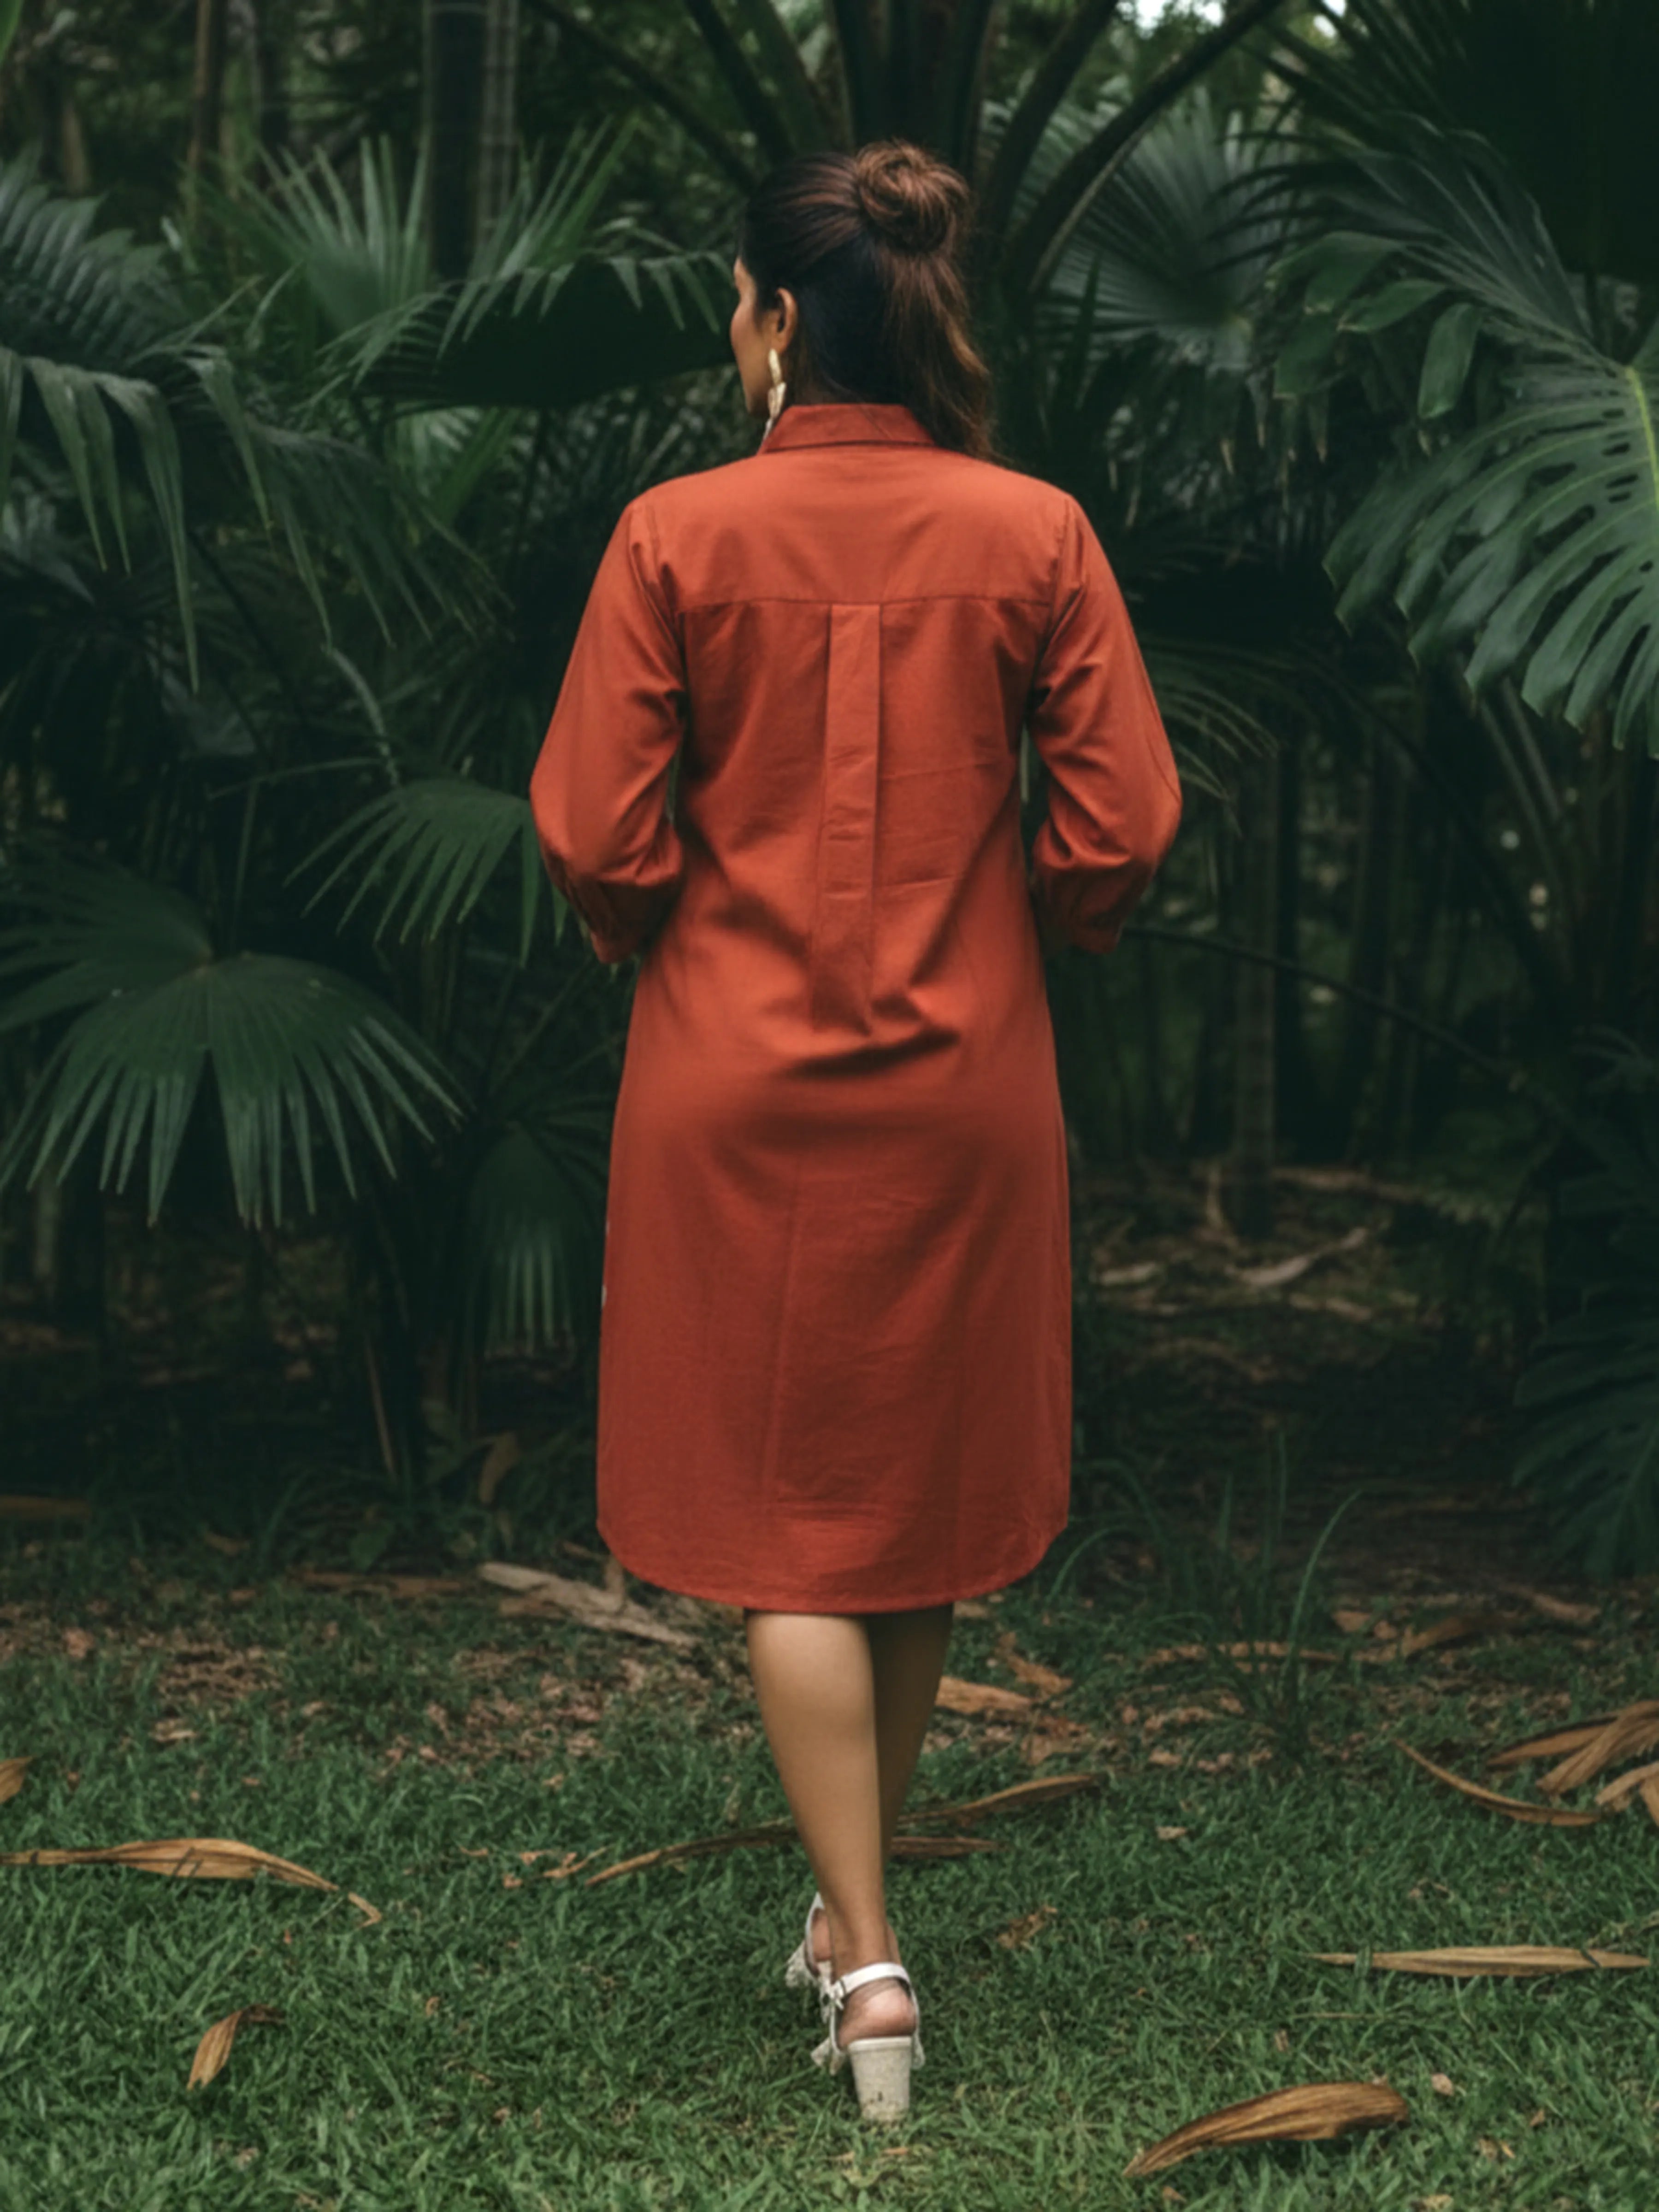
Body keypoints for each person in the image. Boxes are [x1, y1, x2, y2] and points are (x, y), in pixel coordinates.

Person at [528, 139, 1181, 2123]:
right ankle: (850, 1910)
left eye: (737, 304)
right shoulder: (1037, 528)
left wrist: (669, 928)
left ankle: (871, 1964)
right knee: (910, 1505)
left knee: (787, 1519)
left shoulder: (672, 536)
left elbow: (590, 830)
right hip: (966, 1083)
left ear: (782, 318)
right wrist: (1039, 915)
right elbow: (1125, 826)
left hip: (729, 1088)